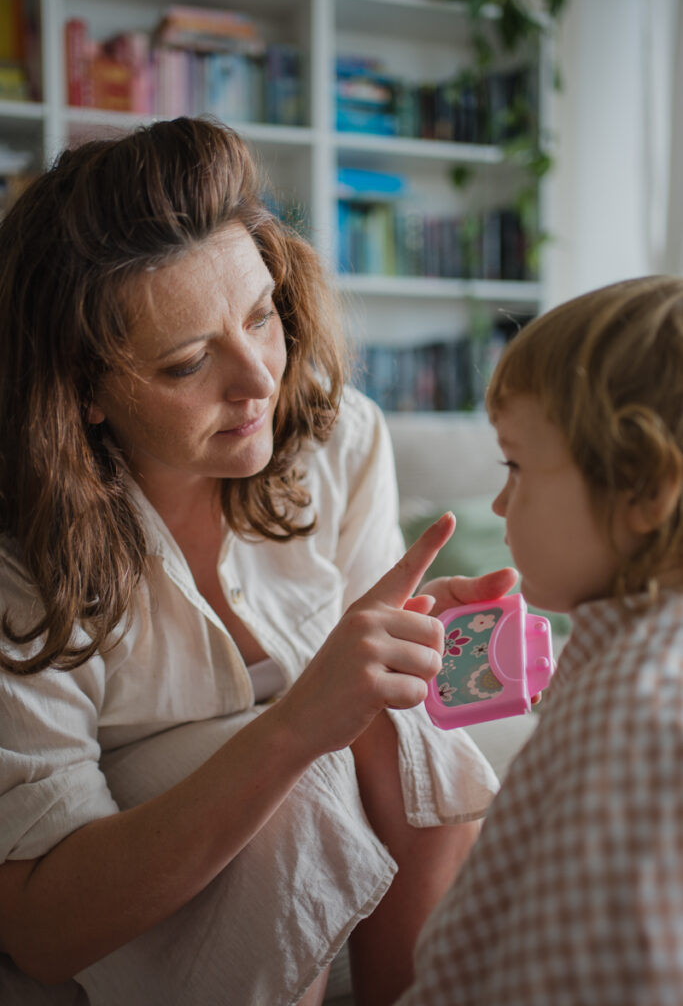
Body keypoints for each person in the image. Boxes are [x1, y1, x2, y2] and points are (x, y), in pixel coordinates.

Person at [0, 116, 514, 1006]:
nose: (258, 381)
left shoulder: (338, 438)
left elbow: (370, 695)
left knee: (413, 711)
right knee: (307, 783)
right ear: (82, 392)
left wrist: (407, 650)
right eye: (187, 363)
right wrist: (295, 728)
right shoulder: (22, 557)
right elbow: (40, 936)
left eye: (260, 316)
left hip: (329, 811)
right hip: (142, 846)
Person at [397, 275, 683, 1005]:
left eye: (516, 466)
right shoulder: (621, 669)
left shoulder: (635, 716)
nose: (498, 503)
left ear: (645, 490)